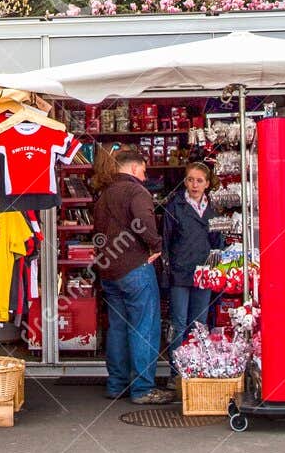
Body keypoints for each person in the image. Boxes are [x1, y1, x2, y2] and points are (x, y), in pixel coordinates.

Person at [91, 147, 170, 404]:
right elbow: (145, 221)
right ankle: (143, 389)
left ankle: (117, 384)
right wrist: (156, 246)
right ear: (135, 168)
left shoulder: (103, 194)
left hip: (109, 270)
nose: (145, 177)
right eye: (144, 171)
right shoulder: (137, 191)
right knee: (144, 327)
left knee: (118, 328)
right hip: (135, 267)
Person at [163, 161, 216, 352]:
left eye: (199, 181)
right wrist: (167, 271)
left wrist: (215, 268)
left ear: (207, 184)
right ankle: (176, 372)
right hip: (180, 272)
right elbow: (166, 241)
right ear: (185, 182)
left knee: (199, 323)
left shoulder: (213, 208)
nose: (195, 185)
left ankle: (197, 371)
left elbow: (217, 242)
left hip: (204, 272)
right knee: (178, 323)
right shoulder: (174, 206)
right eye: (190, 180)